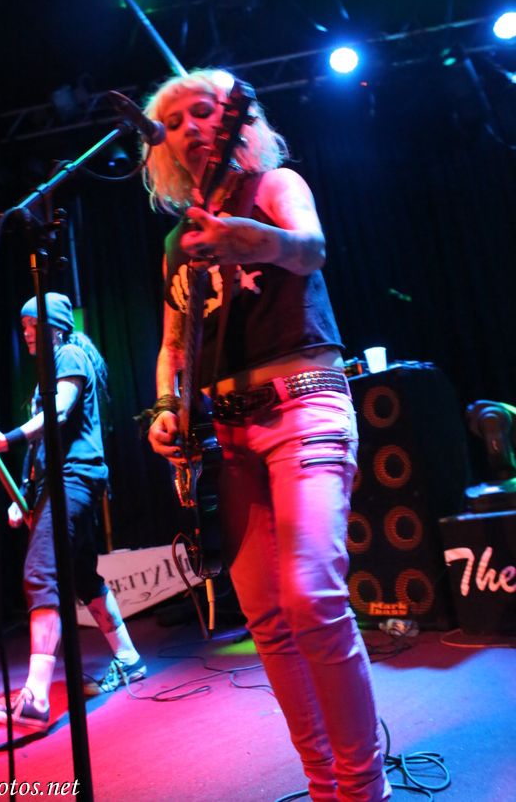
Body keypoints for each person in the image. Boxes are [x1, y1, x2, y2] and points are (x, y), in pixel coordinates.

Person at [143, 69, 391, 800]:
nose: (191, 127)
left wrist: (254, 240)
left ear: (236, 121)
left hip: (304, 406)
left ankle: (364, 787)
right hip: (230, 436)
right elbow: (173, 345)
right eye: (174, 121)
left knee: (312, 597)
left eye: (203, 111)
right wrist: (165, 407)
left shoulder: (275, 184)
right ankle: (324, 785)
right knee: (267, 620)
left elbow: (310, 248)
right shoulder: (177, 242)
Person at [0, 292, 145, 731]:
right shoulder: (47, 373)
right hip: (60, 482)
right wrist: (24, 496)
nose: (26, 333)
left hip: (74, 480)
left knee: (41, 572)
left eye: (33, 324)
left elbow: (59, 413)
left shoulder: (68, 356)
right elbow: (44, 444)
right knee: (80, 575)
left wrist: (5, 439)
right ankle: (129, 657)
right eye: (24, 326)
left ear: (56, 327)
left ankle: (36, 699)